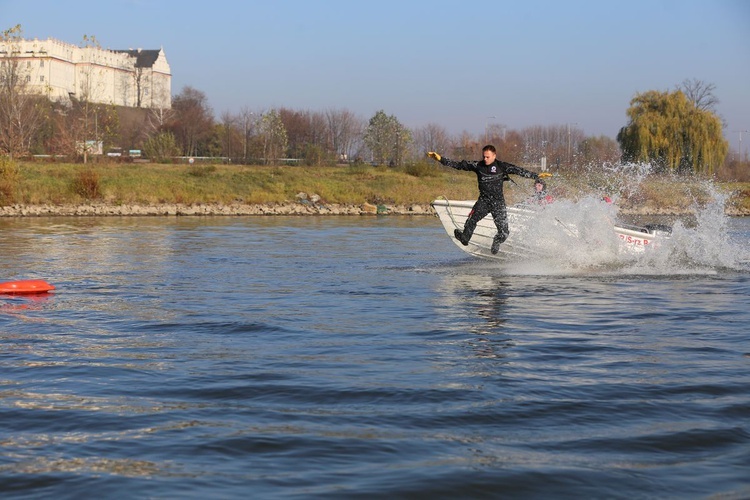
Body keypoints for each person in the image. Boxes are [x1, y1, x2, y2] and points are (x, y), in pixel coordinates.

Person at [427, 145, 540, 254]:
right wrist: (441, 159)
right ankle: (464, 238)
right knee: (471, 222)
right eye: (484, 156)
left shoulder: (502, 166)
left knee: (504, 233)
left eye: (488, 157)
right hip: (484, 202)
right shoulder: (478, 165)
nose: (485, 159)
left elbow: (518, 170)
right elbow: (459, 165)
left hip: (498, 203)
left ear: (494, 156)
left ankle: (497, 240)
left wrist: (536, 176)